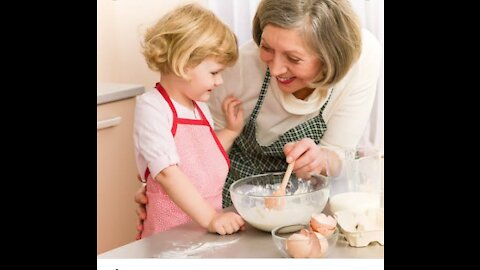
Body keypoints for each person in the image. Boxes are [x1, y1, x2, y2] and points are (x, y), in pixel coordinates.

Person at [135, 0, 382, 236]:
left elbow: (339, 154)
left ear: (331, 57)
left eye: (293, 58)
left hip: (289, 214)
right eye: (266, 48)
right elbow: (191, 159)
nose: (274, 69)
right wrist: (165, 190)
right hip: (232, 212)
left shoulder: (363, 60)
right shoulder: (234, 70)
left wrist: (321, 160)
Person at [134, 3, 245, 238]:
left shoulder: (200, 108)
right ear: (183, 65)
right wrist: (211, 218)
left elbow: (201, 157)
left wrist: (231, 131)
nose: (220, 81)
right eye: (214, 72)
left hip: (205, 231)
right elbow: (167, 173)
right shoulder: (153, 107)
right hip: (169, 235)